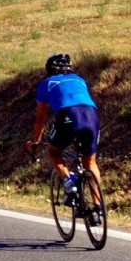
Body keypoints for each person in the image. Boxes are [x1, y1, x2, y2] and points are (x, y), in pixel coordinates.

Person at [26, 53, 102, 224]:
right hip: (92, 115)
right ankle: (98, 210)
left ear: (49, 70)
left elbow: (40, 120)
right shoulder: (80, 79)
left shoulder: (46, 83)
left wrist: (36, 141)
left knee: (53, 150)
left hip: (68, 115)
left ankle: (69, 183)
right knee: (90, 163)